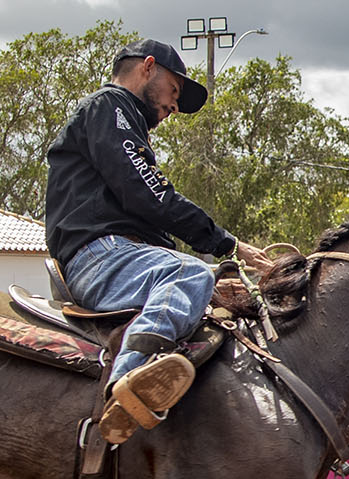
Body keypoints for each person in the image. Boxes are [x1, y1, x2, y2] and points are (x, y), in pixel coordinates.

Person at [45, 38, 270, 444]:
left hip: (119, 254)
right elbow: (148, 193)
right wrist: (225, 244)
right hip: (101, 255)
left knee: (207, 285)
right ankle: (128, 381)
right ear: (148, 67)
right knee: (188, 273)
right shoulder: (110, 107)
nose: (171, 109)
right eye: (173, 93)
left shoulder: (117, 120)